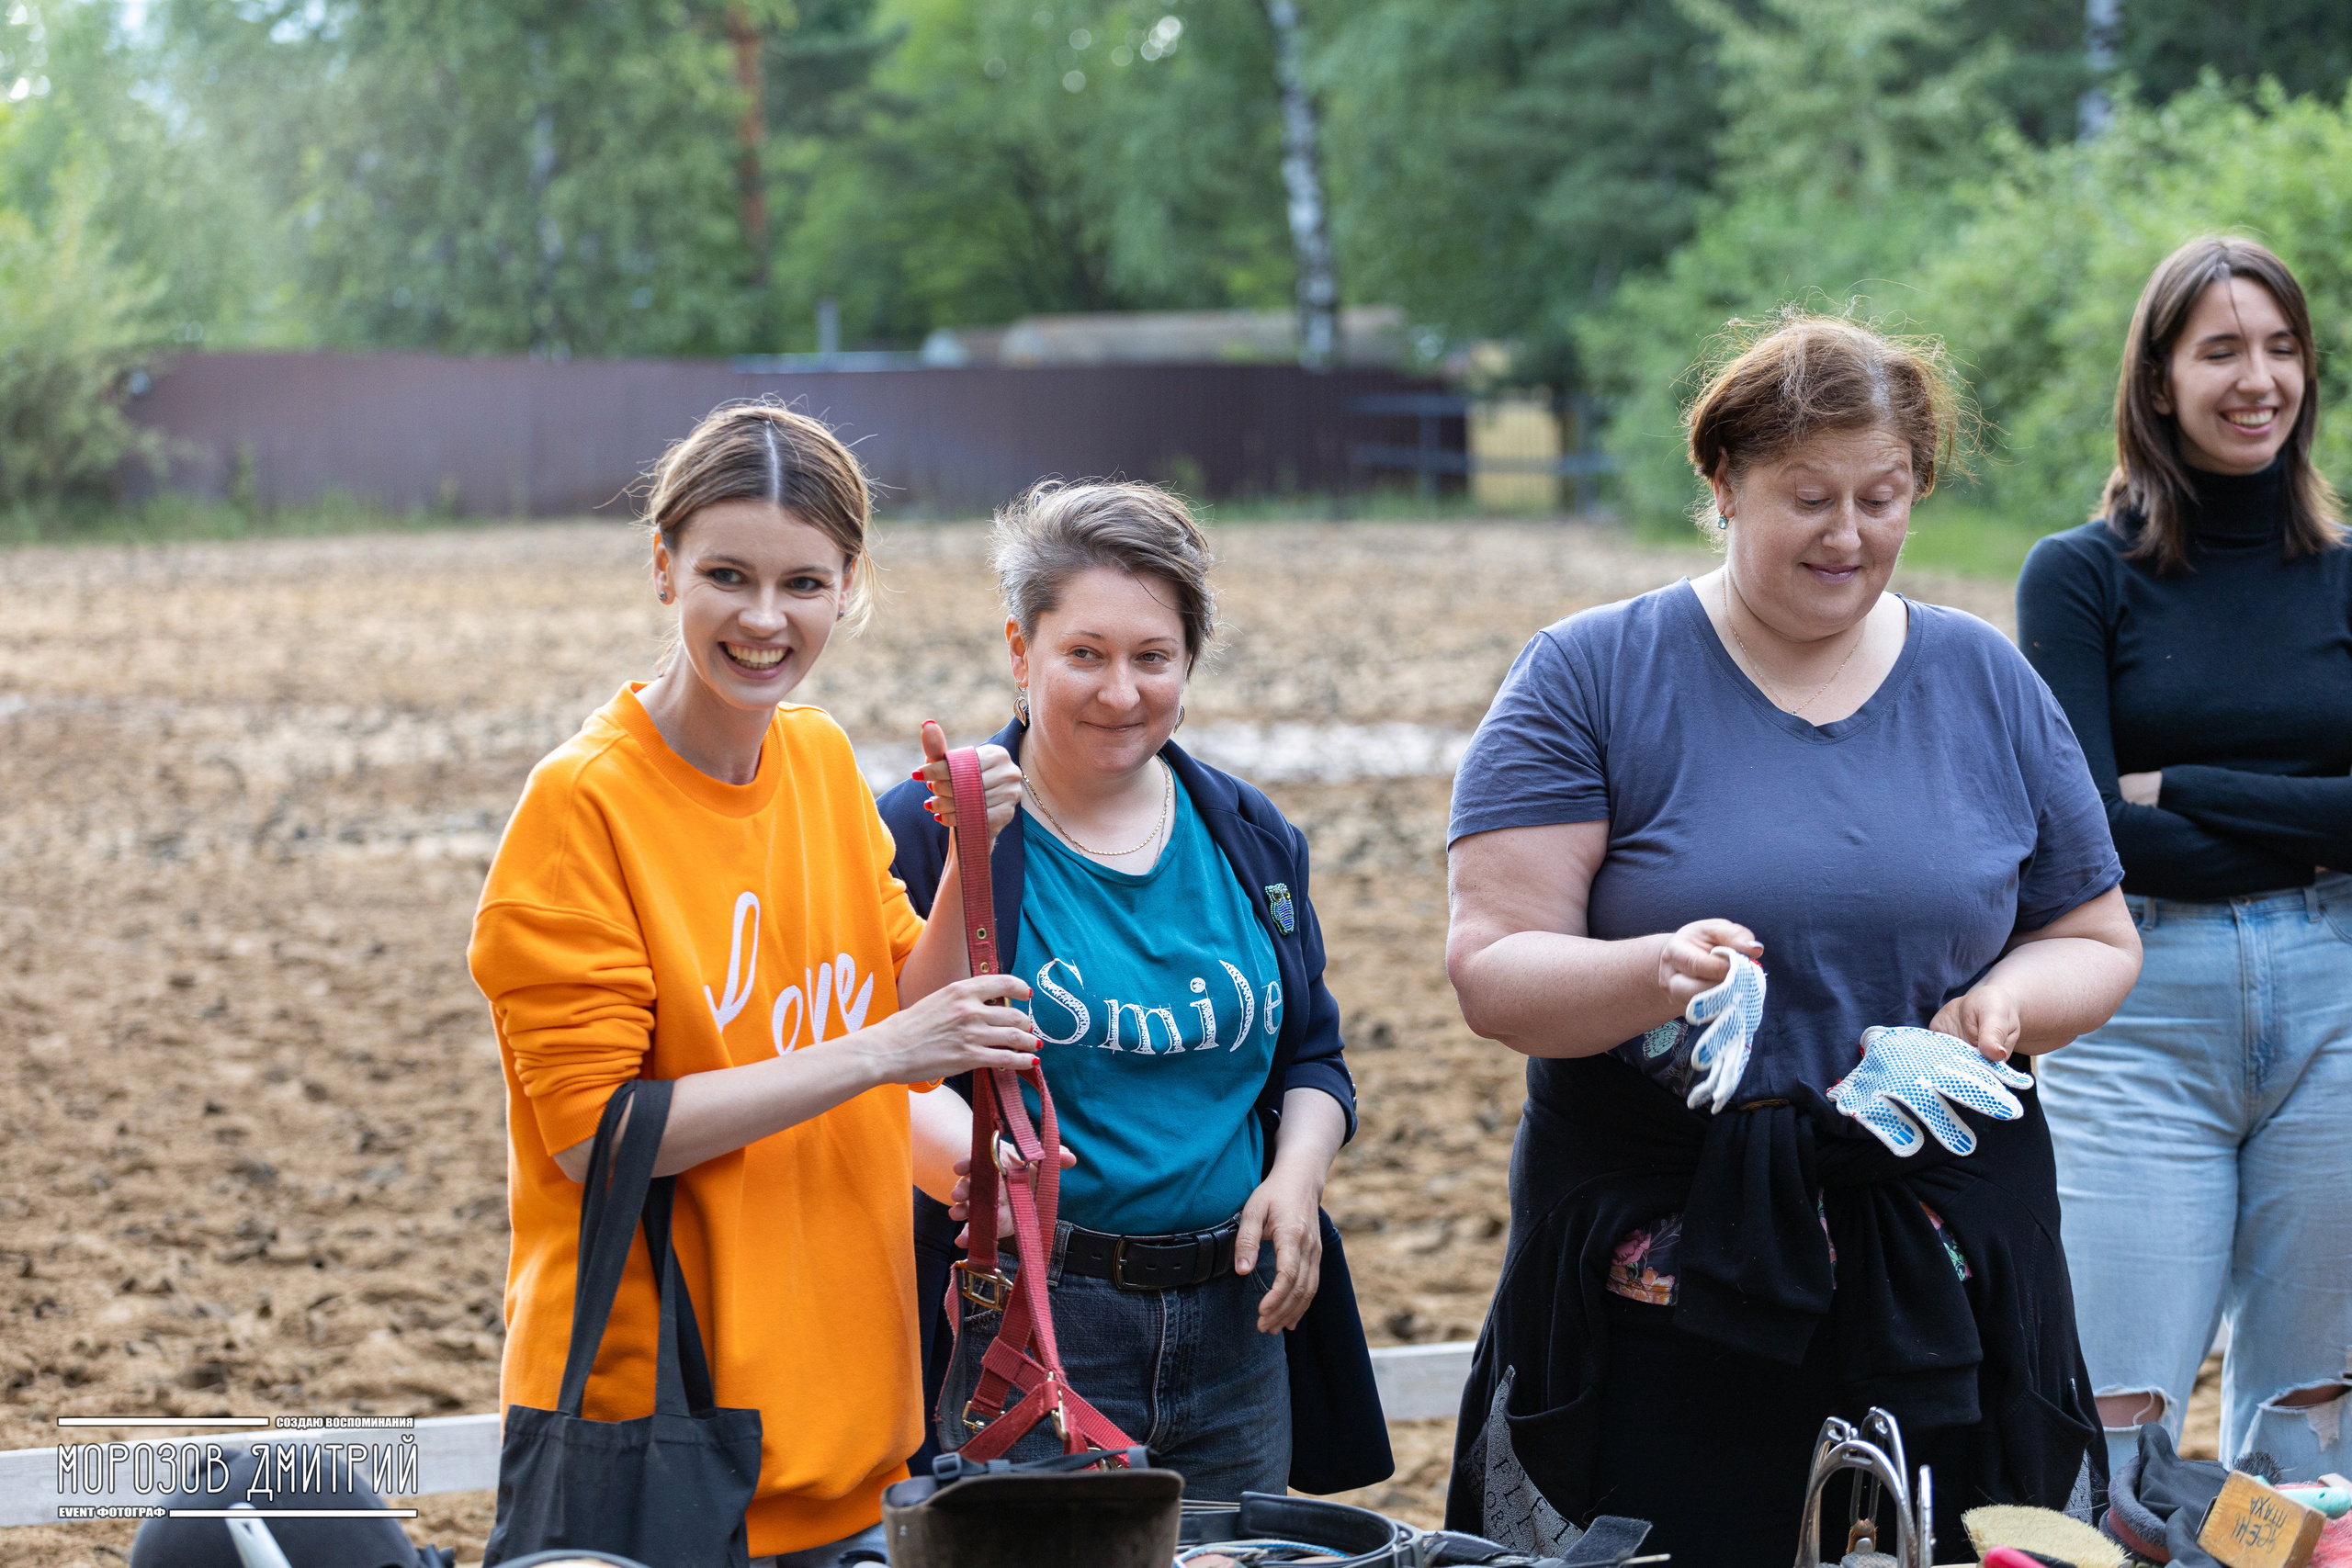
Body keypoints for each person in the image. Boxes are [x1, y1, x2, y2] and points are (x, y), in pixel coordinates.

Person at [1441, 312, 2143, 1568]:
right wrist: (1650, 970)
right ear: (1721, 483)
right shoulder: (1588, 675)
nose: (1851, 534)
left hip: (1944, 1257)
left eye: (1885, 498)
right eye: (1809, 498)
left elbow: (2093, 935)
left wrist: (2000, 1008)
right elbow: (1494, 969)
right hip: (1662, 1272)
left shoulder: (1985, 678)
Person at [469, 402, 1035, 1567]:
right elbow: (597, 1139)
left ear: (849, 587)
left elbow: (890, 997)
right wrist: (884, 1055)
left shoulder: (822, 762)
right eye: (727, 574)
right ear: (664, 567)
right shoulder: (583, 806)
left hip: (848, 1423)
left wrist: (969, 854)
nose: (765, 619)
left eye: (805, 584)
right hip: (663, 1438)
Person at [874, 480, 1390, 1499]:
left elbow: (1312, 1059)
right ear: (1021, 654)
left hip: (1240, 1318)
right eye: (1085, 654)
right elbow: (882, 1064)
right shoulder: (928, 831)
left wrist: (1296, 1180)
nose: (1120, 692)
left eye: (1151, 657)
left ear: (1188, 661)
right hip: (1022, 1321)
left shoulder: (1248, 833)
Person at [2018, 236, 2352, 1481]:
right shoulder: (2078, 576)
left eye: (2279, 347)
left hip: (2340, 1001)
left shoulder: (2349, 573)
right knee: (2119, 1413)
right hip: (2137, 1003)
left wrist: (2185, 787)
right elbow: (2086, 830)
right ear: (2159, 381)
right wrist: (2312, 809)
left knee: (2314, 1421)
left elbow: (2138, 804)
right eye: (2220, 350)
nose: (2256, 377)